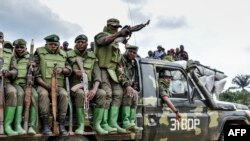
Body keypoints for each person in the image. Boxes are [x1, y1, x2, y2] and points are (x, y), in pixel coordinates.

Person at [67, 34, 109, 134]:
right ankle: (81, 125)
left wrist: (94, 90)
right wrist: (74, 71)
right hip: (76, 87)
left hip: (89, 86)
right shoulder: (69, 55)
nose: (80, 44)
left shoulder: (92, 57)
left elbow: (97, 76)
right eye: (78, 42)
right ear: (75, 43)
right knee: (80, 94)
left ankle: (97, 124)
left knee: (102, 93)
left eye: (83, 42)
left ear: (86, 43)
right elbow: (66, 69)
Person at [94, 18, 130, 133]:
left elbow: (118, 64)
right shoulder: (100, 35)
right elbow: (104, 41)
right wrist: (119, 33)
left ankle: (112, 122)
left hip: (112, 71)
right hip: (101, 69)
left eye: (117, 27)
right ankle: (102, 123)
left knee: (119, 93)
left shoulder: (116, 42)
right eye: (113, 27)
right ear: (108, 26)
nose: (115, 29)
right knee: (107, 94)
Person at [34, 34, 72, 136]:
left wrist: (63, 70)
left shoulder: (64, 54)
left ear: (59, 44)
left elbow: (69, 69)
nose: (53, 46)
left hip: (59, 86)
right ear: (46, 44)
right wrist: (48, 87)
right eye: (50, 44)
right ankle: (45, 125)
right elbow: (36, 75)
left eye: (55, 44)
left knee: (64, 95)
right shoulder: (39, 53)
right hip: (43, 85)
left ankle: (61, 124)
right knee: (43, 95)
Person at [12, 39, 38, 135]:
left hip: (28, 83)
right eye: (17, 47)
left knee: (34, 96)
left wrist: (33, 68)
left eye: (21, 47)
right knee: (20, 94)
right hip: (15, 83)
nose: (19, 49)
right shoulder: (12, 57)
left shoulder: (30, 58)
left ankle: (31, 126)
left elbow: (37, 73)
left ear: (26, 48)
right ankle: (17, 124)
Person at [118, 44, 143, 132]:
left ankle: (132, 122)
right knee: (129, 93)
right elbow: (120, 74)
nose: (132, 54)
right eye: (130, 52)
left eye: (134, 53)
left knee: (135, 95)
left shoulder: (132, 62)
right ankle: (125, 122)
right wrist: (127, 86)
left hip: (127, 85)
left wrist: (132, 86)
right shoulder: (121, 59)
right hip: (119, 84)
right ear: (126, 51)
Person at [0, 39, 19, 136]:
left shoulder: (10, 54)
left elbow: (15, 70)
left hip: (5, 81)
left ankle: (7, 125)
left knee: (12, 92)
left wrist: (9, 73)